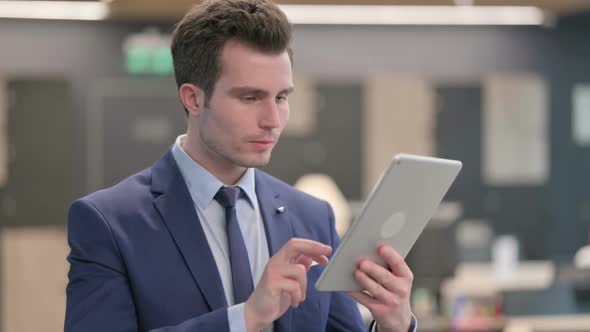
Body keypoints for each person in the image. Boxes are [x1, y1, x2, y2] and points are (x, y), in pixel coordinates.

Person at [65, 0, 416, 331]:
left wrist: (393, 325)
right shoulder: (109, 223)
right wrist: (245, 318)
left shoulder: (312, 218)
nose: (272, 120)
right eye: (250, 98)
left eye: (281, 97)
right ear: (193, 98)